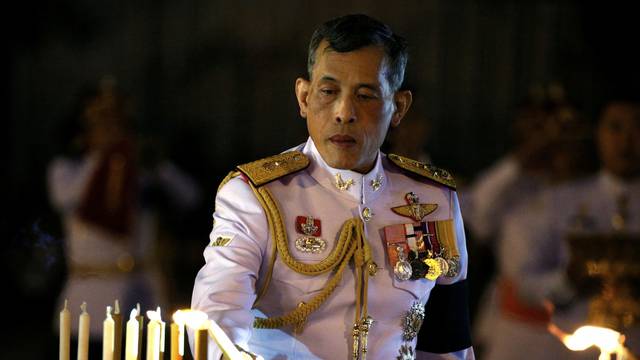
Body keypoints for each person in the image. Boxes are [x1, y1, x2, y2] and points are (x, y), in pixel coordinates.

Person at [191, 14, 474, 359]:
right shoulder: (258, 195)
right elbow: (216, 318)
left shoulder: (434, 198)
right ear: (304, 96)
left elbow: (448, 342)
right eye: (328, 92)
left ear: (399, 107)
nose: (343, 112)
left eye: (366, 95)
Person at [48, 77, 201, 357]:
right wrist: (101, 156)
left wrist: (159, 166)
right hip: (89, 299)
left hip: (142, 295)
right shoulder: (68, 169)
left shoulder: (141, 171)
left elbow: (190, 197)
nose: (112, 132)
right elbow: (64, 197)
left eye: (118, 125)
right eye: (101, 125)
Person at [485, 97, 640, 359]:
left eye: (637, 128)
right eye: (615, 128)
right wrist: (567, 280)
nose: (626, 141)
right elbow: (525, 283)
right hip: (574, 344)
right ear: (599, 134)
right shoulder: (562, 201)